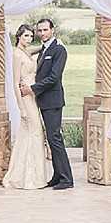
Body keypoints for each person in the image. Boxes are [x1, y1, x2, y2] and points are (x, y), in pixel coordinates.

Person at [20, 18, 74, 190]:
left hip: (53, 100)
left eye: (45, 30)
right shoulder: (44, 49)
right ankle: (57, 176)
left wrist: (32, 89)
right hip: (43, 101)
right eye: (40, 31)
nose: (42, 33)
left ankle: (67, 179)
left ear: (52, 30)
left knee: (55, 138)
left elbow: (53, 77)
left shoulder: (59, 50)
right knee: (51, 139)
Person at [2, 24, 51, 190]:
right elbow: (15, 83)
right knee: (35, 131)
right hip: (25, 99)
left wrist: (51, 43)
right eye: (25, 36)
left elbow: (38, 49)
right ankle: (27, 178)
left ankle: (35, 176)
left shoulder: (26, 52)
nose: (28, 39)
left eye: (31, 36)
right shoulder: (16, 55)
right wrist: (21, 108)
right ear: (18, 37)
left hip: (34, 96)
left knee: (31, 134)